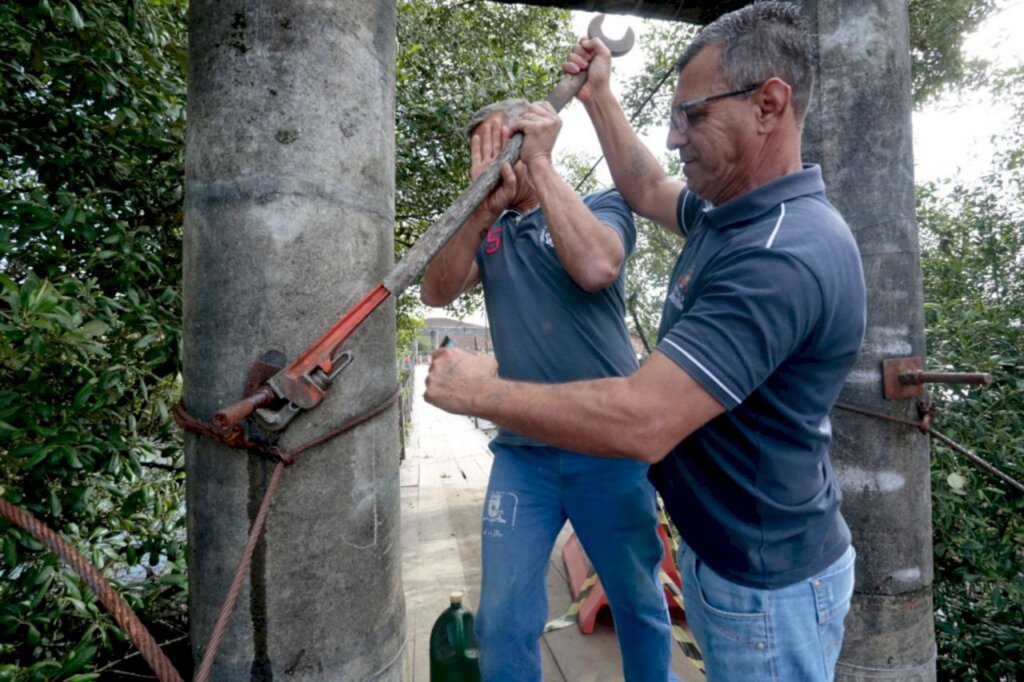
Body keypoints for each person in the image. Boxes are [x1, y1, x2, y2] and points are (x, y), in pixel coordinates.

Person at [424, 3, 867, 681]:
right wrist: (599, 95)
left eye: (692, 116)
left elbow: (641, 411)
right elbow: (645, 183)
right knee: (507, 616)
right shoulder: (727, 217)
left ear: (769, 106)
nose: (675, 137)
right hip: (718, 549)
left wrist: (480, 390)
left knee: (638, 605)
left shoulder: (780, 255)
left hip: (763, 577)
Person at [420, 99, 678, 681]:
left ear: (528, 144)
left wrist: (538, 165)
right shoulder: (490, 233)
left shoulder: (603, 207)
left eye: (499, 149)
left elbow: (596, 267)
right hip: (524, 455)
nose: (491, 166)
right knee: (503, 619)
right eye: (480, 156)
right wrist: (476, 213)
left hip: (607, 448)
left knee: (638, 603)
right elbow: (435, 293)